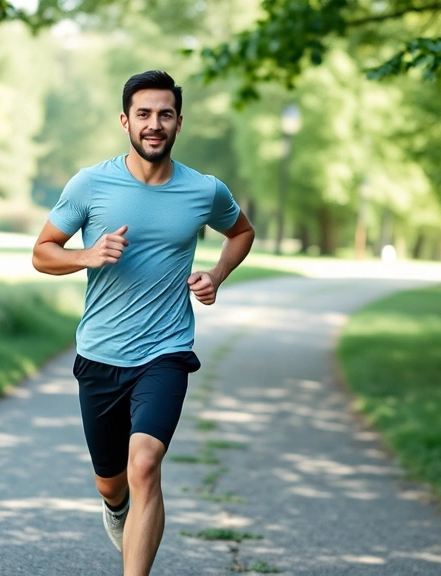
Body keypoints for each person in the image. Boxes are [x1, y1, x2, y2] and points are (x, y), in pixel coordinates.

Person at [31, 70, 255, 575]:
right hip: (100, 354)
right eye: (144, 114)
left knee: (146, 464)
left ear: (179, 122)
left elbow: (241, 232)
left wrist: (217, 274)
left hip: (165, 352)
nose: (155, 124)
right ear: (125, 121)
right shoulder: (91, 184)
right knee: (111, 483)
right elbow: (42, 252)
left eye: (165, 114)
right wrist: (87, 255)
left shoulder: (204, 190)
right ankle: (117, 509)